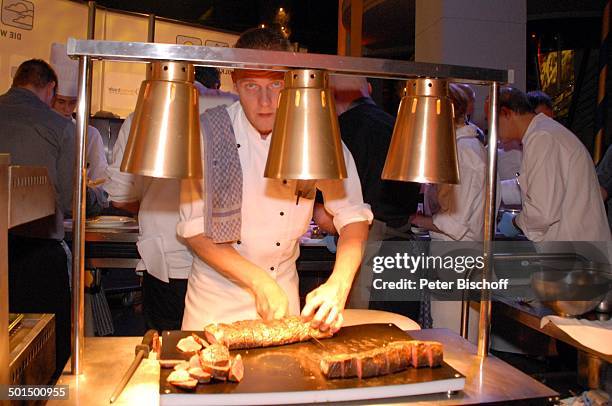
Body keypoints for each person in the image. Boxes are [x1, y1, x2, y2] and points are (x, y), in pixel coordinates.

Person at [177, 27, 372, 332]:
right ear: (235, 82)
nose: (265, 102)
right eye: (252, 86)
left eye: (276, 85)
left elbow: (354, 217)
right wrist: (259, 282)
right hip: (214, 307)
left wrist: (339, 284)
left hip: (284, 305)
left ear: (292, 81)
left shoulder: (313, 135)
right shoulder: (207, 134)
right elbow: (195, 231)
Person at [0, 59, 94, 374]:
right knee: (46, 347)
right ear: (50, 89)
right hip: (36, 256)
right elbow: (71, 200)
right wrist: (95, 197)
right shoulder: (60, 127)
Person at [311, 75, 420, 315]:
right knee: (404, 339)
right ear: (368, 89)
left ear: (330, 95)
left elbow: (323, 218)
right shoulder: (397, 123)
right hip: (404, 252)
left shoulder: (339, 131)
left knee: (364, 339)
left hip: (368, 253)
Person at [496, 87, 610, 241]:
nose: (492, 129)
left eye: (491, 120)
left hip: (575, 250)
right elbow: (536, 188)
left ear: (506, 113)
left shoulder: (542, 138)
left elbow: (542, 212)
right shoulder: (542, 134)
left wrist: (516, 222)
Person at [410, 84, 488, 241]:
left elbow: (455, 222)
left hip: (459, 252)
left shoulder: (464, 152)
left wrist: (413, 220)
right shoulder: (457, 148)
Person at [49, 43, 108, 182]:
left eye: (72, 102)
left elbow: (100, 179)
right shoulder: (39, 130)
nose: (67, 109)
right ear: (50, 98)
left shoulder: (90, 135)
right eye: (61, 102)